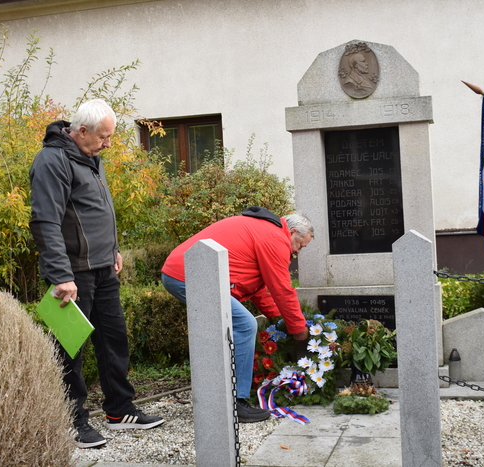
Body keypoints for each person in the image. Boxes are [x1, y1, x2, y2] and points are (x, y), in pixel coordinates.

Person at [29, 99, 164, 449]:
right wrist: (61, 276)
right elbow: (45, 222)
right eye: (103, 137)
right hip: (73, 274)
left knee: (113, 340)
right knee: (68, 349)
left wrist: (113, 248)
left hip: (102, 269)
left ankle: (120, 410)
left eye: (110, 137)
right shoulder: (52, 160)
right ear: (82, 131)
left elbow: (98, 209)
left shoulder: (90, 157)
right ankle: (70, 420)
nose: (108, 144)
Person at [161, 207, 313, 423]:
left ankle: (218, 397)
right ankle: (236, 403)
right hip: (188, 275)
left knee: (234, 325)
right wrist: (298, 328)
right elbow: (282, 288)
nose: (297, 252)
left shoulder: (265, 231)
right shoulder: (275, 238)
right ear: (293, 232)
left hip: (183, 272)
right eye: (300, 245)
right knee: (245, 325)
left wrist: (279, 319)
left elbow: (259, 290)